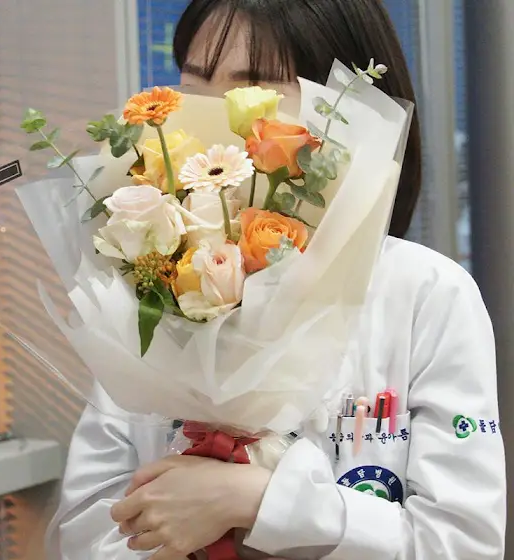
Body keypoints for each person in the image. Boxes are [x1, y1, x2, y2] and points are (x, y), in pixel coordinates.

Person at [46, 1, 506, 558]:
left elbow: (462, 542)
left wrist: (261, 501)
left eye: (254, 92)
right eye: (192, 86)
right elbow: (86, 527)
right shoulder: (153, 289)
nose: (214, 123)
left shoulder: (426, 294)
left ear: (348, 112)